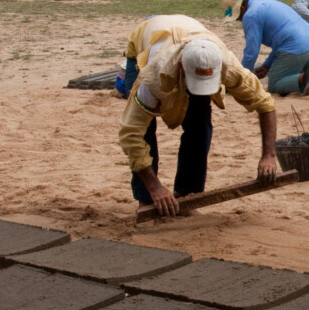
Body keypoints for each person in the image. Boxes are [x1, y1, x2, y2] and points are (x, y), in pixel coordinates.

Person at [116, 13, 280, 217]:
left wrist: (269, 155)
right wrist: (155, 186)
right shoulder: (152, 76)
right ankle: (146, 198)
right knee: (145, 128)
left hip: (189, 35)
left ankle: (188, 196)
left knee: (200, 122)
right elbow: (131, 133)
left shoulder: (227, 64)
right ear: (182, 68)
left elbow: (265, 104)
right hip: (146, 43)